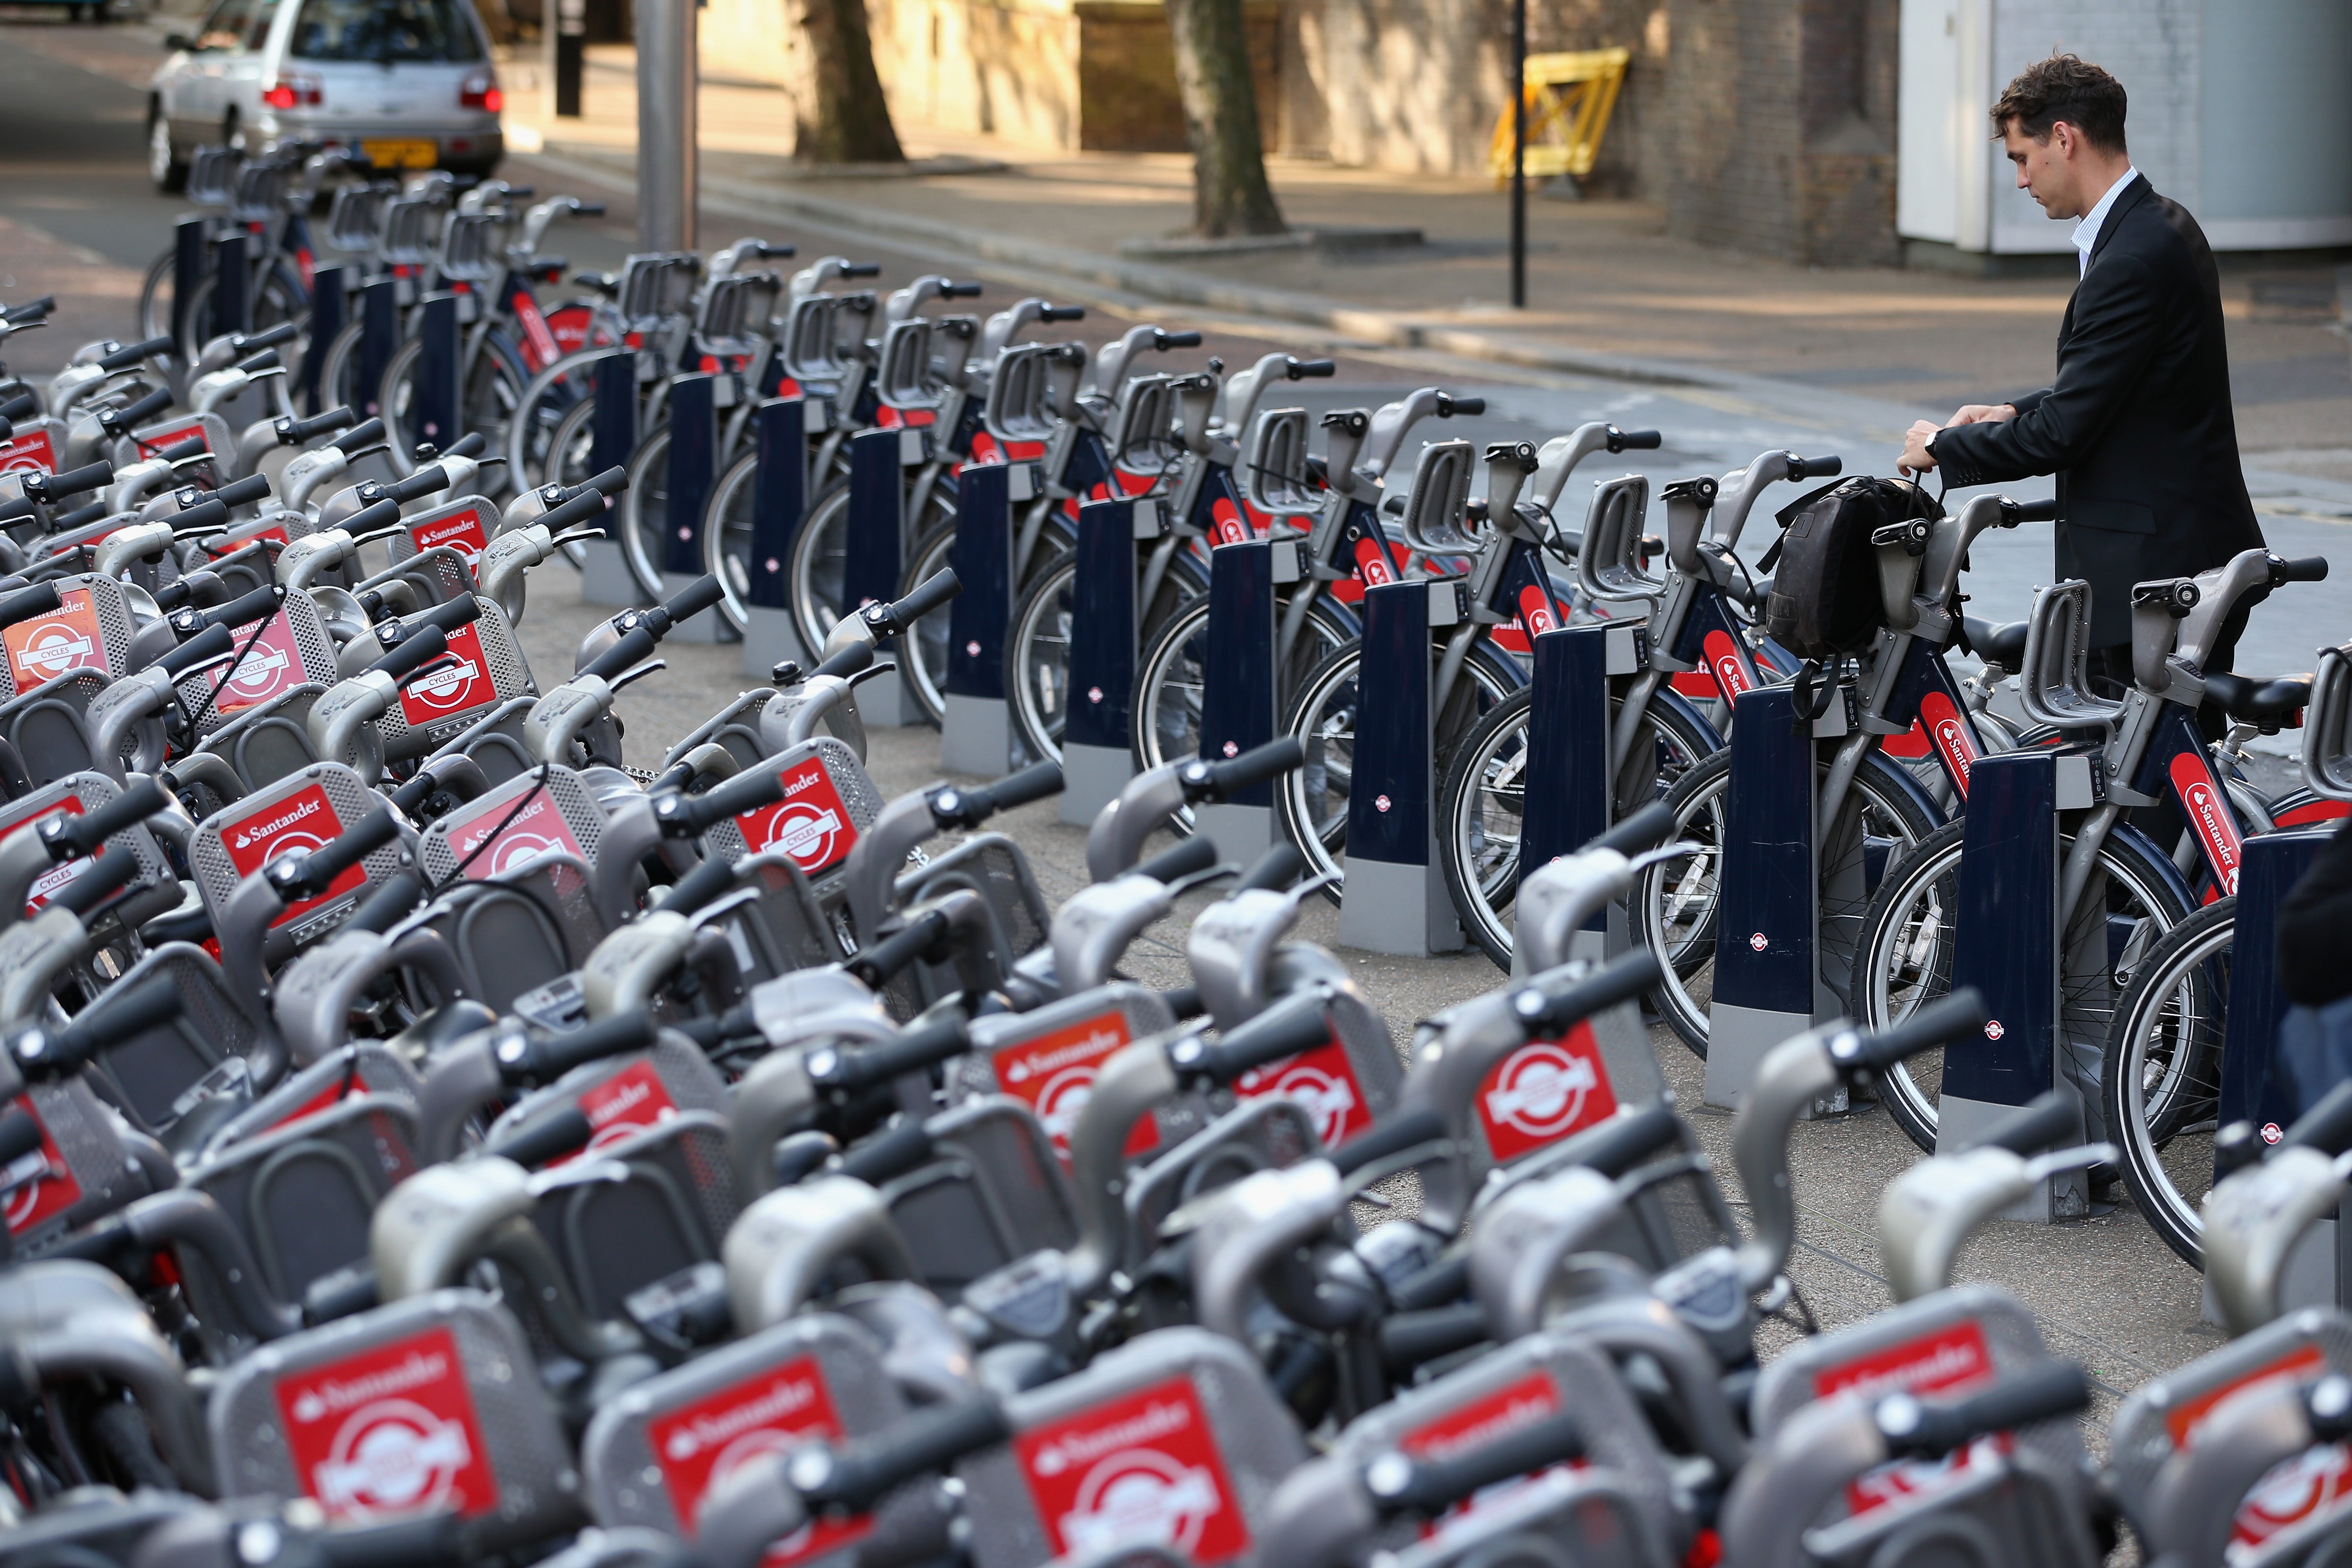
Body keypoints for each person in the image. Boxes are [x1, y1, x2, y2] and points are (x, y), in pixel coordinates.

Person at [1895, 54, 2264, 702]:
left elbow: (2064, 432)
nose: (2018, 180)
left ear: (2063, 139)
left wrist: (1945, 446)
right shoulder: (2159, 224)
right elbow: (2125, 385)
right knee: (2145, 785)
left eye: (2020, 157)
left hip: (2149, 582)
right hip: (2173, 559)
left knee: (2132, 792)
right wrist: (2012, 411)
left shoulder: (2131, 255)